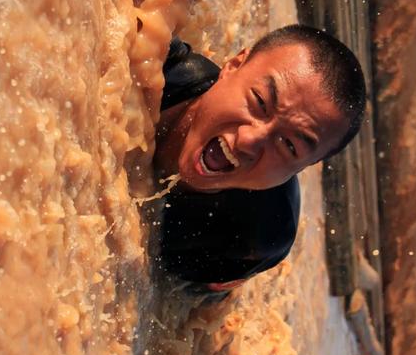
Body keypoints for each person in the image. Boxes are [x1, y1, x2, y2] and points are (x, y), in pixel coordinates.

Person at [154, 24, 366, 293]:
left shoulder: (253, 238)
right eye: (260, 103)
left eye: (289, 145)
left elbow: (172, 299)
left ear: (305, 166)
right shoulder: (157, 68)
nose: (248, 141)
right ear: (233, 65)